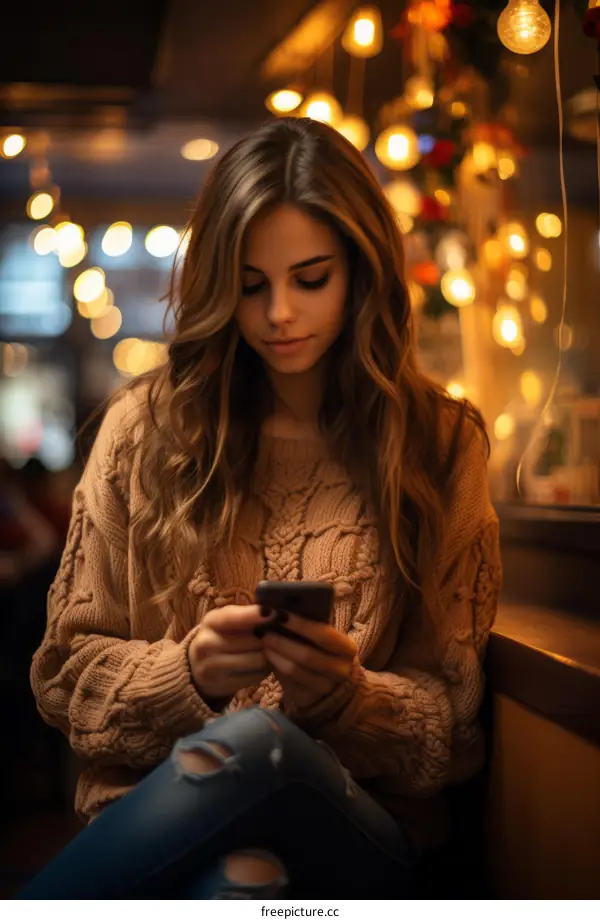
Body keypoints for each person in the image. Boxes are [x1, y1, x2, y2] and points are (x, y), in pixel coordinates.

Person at [20, 117, 501, 899]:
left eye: (310, 278)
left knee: (267, 745)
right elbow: (63, 679)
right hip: (159, 830)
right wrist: (188, 675)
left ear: (361, 271)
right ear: (220, 282)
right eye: (251, 285)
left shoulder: (440, 444)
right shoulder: (144, 431)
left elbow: (451, 728)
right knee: (244, 889)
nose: (279, 312)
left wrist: (347, 699)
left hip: (352, 828)